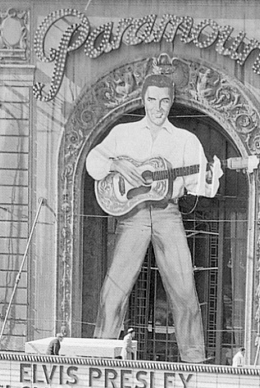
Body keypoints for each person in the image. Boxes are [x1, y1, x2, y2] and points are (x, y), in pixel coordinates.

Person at [86, 75, 222, 363]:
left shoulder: (186, 140)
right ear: (143, 100)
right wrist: (116, 163)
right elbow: (93, 163)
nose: (157, 107)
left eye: (164, 100)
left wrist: (210, 176)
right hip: (132, 216)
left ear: (171, 102)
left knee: (184, 289)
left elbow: (201, 187)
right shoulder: (124, 134)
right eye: (151, 100)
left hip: (167, 214)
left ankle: (194, 359)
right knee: (114, 289)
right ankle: (99, 356)